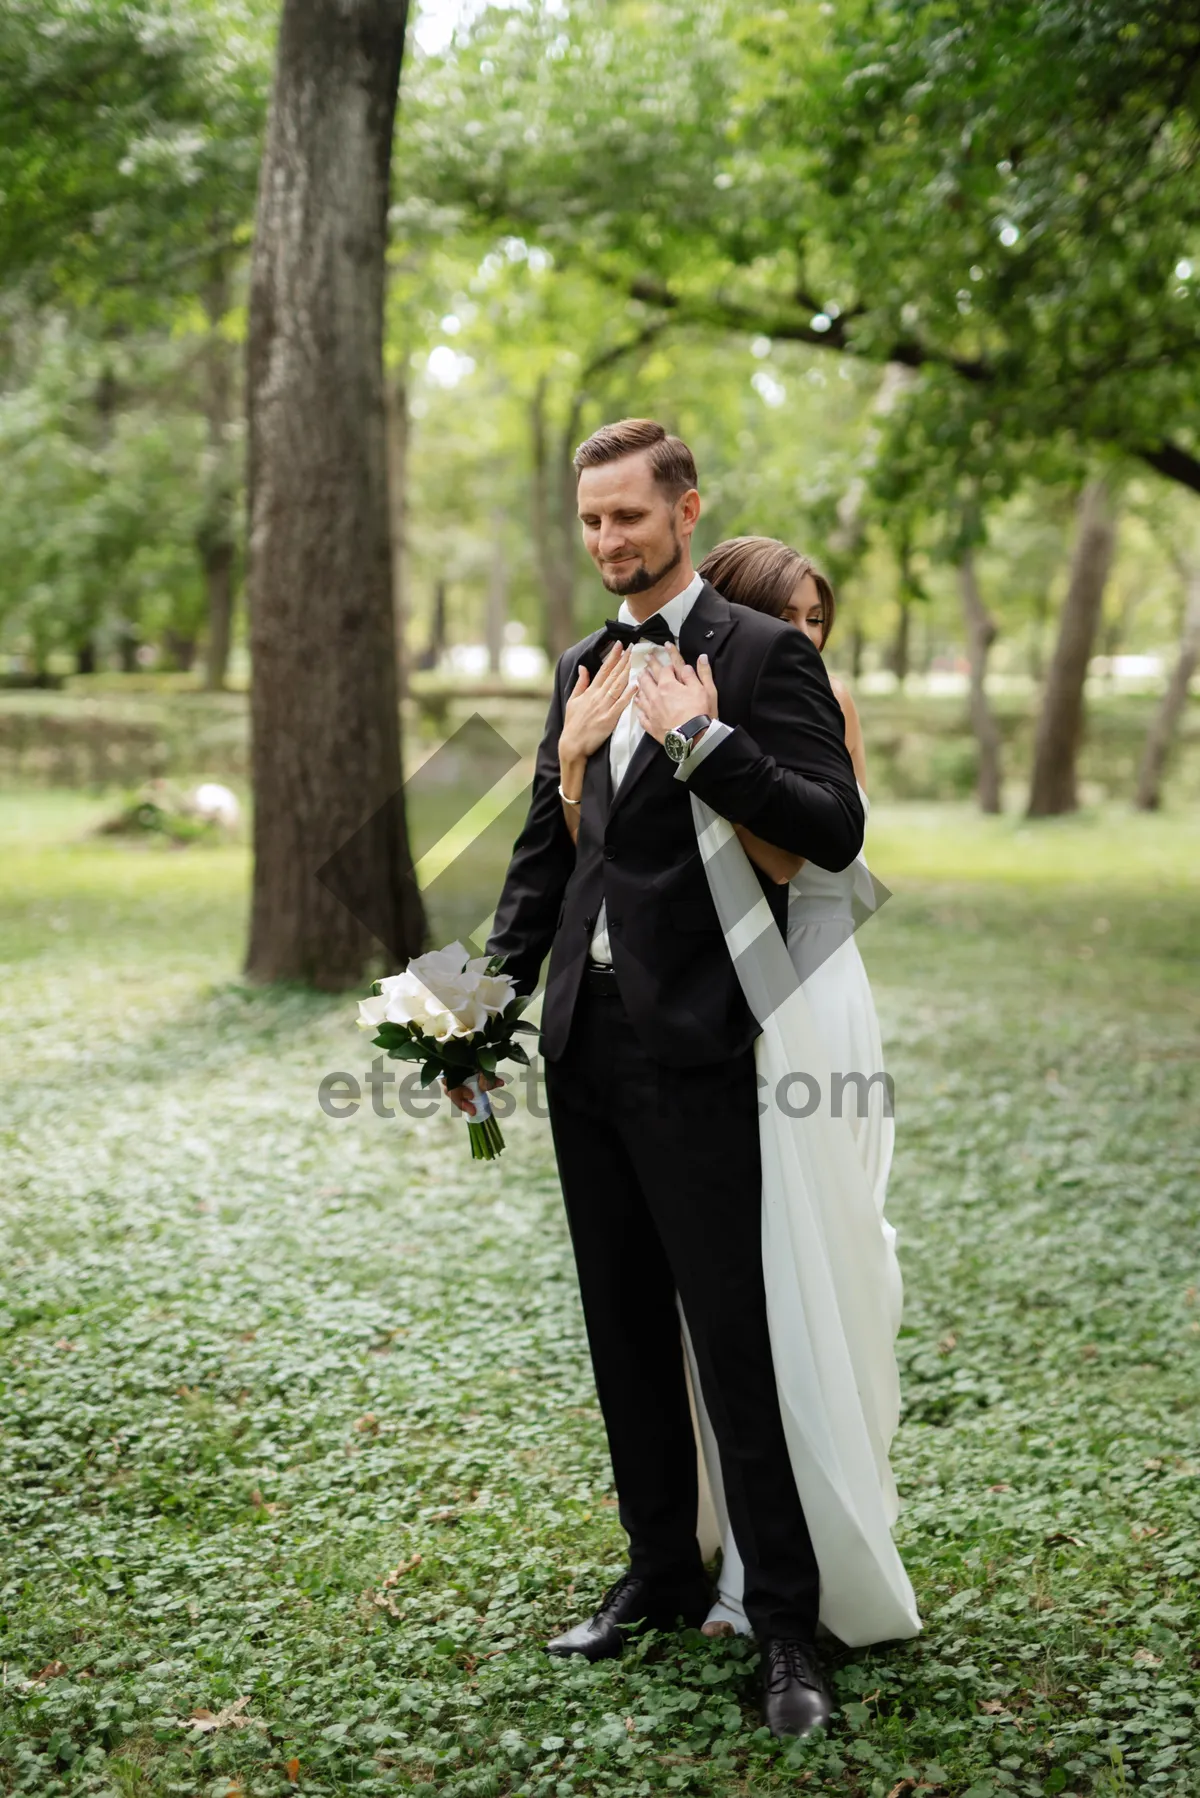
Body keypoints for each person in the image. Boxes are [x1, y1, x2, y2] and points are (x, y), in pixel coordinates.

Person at [452, 418, 863, 1738]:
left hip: (706, 1046)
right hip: (588, 1039)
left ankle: (787, 1628)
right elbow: (538, 864)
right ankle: (657, 1571)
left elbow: (831, 827)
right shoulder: (581, 662)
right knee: (622, 1324)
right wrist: (459, 1023)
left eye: (628, 516)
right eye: (590, 521)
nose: (607, 542)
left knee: (731, 1342)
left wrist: (704, 742)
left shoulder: (762, 654)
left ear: (688, 509)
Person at [684, 535, 916, 1643]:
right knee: (741, 1275)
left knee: (823, 1250)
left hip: (807, 996)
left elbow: (798, 859)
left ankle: (829, 1539)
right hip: (716, 997)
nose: (808, 645)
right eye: (791, 622)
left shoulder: (820, 712)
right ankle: (733, 1536)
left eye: (819, 623)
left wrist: (697, 750)